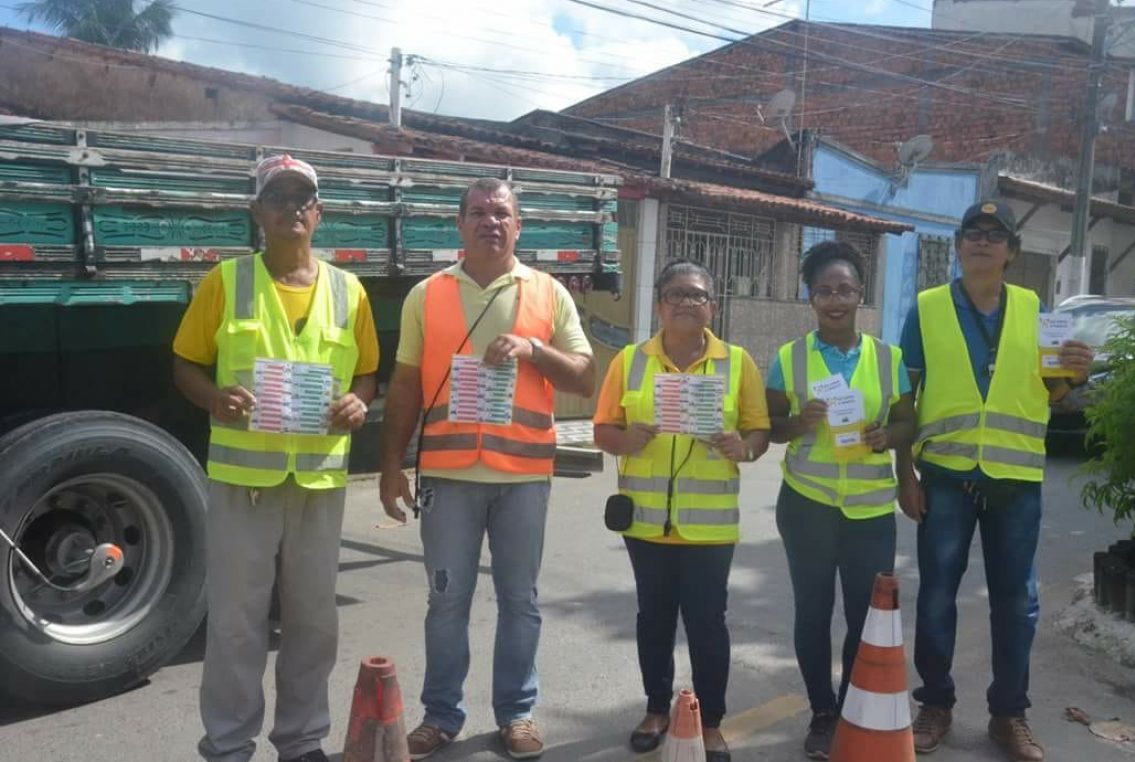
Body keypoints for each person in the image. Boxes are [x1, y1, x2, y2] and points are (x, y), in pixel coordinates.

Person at [378, 177, 594, 760]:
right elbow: (402, 384)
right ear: (460, 224)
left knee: (519, 601)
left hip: (523, 478)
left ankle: (517, 713)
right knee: (446, 601)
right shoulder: (427, 294)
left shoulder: (549, 294)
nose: (490, 222)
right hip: (448, 479)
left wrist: (533, 349)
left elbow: (583, 374)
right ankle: (441, 715)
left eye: (501, 213)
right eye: (478, 212)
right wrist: (391, 465)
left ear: (518, 226)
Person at [173, 154, 379, 762]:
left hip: (316, 481)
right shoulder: (226, 281)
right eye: (278, 197)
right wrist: (214, 397)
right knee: (237, 621)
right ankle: (230, 745)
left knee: (314, 622)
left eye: (303, 198)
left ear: (318, 213)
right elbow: (184, 363)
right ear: (257, 211)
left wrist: (357, 404)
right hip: (244, 480)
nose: (292, 208)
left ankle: (301, 741)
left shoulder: (349, 290)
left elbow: (367, 374)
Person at [898, 201, 1094, 762]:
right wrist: (904, 473)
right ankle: (935, 705)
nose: (982, 242)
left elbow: (1053, 396)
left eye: (995, 235)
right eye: (973, 233)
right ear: (959, 245)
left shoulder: (1038, 312)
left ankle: (1010, 715)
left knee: (1017, 603)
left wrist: (1075, 375)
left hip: (1015, 479)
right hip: (943, 477)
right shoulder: (927, 309)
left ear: (1011, 251)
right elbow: (904, 398)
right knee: (936, 596)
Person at [593, 259, 770, 762]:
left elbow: (759, 431)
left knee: (708, 622)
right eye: (676, 294)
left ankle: (710, 720)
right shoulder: (629, 360)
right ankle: (655, 709)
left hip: (710, 528)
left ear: (713, 305)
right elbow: (603, 429)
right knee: (653, 619)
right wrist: (626, 437)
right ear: (659, 304)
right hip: (646, 524)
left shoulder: (737, 363)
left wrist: (745, 447)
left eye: (697, 295)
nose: (686, 303)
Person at [765, 241, 915, 760]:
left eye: (845, 289)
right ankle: (822, 712)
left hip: (870, 511)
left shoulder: (888, 357)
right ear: (810, 297)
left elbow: (907, 423)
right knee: (812, 612)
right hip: (807, 505)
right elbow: (769, 428)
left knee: (863, 616)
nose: (835, 299)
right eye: (824, 290)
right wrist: (797, 422)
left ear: (861, 295)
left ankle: (852, 705)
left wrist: (886, 438)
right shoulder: (790, 358)